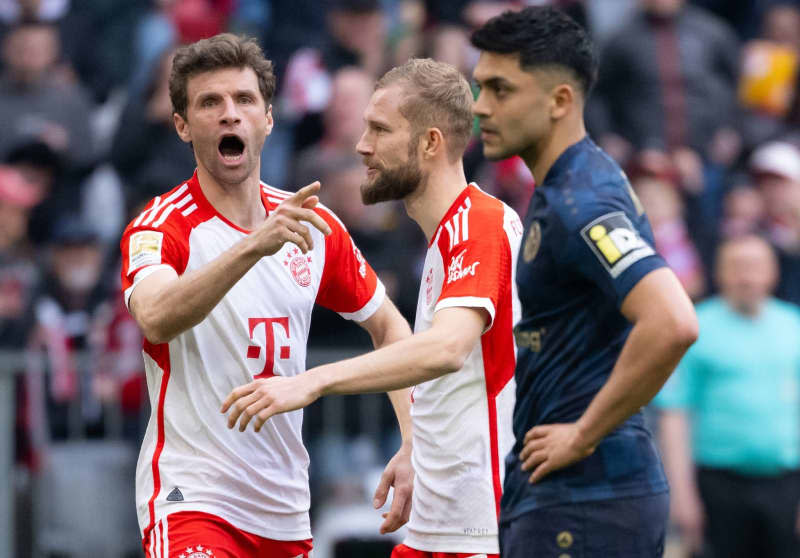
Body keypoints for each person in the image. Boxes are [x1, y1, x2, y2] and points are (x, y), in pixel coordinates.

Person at [119, 34, 414, 558]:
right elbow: (156, 317)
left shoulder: (311, 224)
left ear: (269, 118)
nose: (229, 115)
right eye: (210, 103)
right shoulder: (162, 228)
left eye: (244, 100)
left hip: (283, 507)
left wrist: (414, 442)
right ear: (183, 125)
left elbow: (391, 329)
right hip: (193, 501)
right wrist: (253, 245)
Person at [222, 57, 523, 558]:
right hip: (437, 527)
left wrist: (312, 381)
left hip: (481, 531)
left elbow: (448, 349)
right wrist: (414, 448)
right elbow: (455, 376)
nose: (362, 145)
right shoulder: (444, 239)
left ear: (430, 143)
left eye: (380, 129)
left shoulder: (482, 223)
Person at [469, 7, 698, 557]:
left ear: (560, 101)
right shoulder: (570, 186)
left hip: (588, 498)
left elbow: (672, 321)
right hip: (574, 495)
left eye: (500, 89)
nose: (481, 107)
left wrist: (583, 432)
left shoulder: (581, 203)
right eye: (480, 88)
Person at [655, 234, 800, 558]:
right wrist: (682, 495)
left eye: (755, 266)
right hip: (717, 484)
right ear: (718, 272)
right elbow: (675, 416)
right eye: (736, 266)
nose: (746, 276)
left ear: (773, 272)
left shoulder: (794, 326)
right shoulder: (693, 328)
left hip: (787, 484)